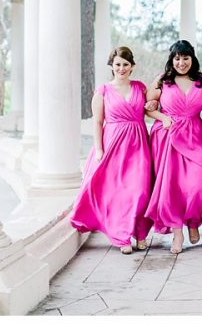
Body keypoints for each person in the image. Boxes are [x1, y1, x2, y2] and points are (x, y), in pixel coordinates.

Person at [71, 47, 153, 254]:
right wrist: (99, 149)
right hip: (113, 144)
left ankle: (140, 233)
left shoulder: (140, 87)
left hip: (138, 143)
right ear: (112, 66)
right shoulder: (103, 91)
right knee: (118, 192)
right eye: (118, 64)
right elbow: (98, 122)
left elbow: (151, 110)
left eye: (125, 64)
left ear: (132, 66)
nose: (121, 68)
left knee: (140, 189)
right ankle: (122, 236)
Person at [143, 40, 202, 254]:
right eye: (177, 58)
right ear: (172, 60)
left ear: (192, 59)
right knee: (171, 187)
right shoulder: (163, 80)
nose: (181, 63)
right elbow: (147, 107)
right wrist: (162, 116)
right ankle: (178, 232)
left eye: (185, 58)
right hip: (169, 136)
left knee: (197, 185)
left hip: (195, 135)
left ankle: (193, 221)